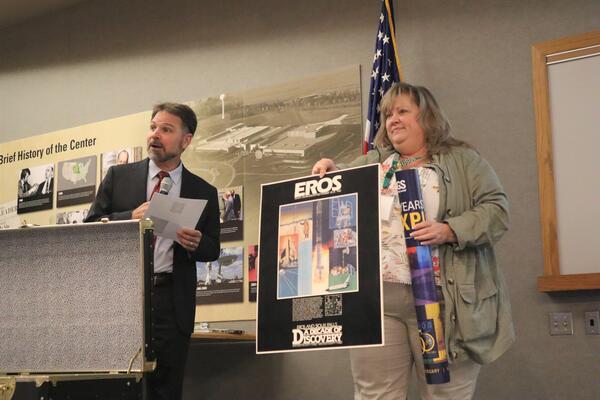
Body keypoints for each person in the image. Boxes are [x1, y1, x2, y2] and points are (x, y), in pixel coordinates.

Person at [312, 82, 514, 400]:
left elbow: (497, 211)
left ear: (427, 116)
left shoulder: (464, 161)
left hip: (443, 300)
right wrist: (333, 175)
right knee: (375, 395)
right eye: (387, 114)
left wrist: (450, 229)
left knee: (444, 394)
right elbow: (339, 212)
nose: (393, 119)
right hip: (378, 304)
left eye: (402, 111)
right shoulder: (373, 165)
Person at [84, 102, 221, 400]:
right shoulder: (118, 177)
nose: (155, 135)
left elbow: (213, 248)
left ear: (186, 140)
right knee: (119, 390)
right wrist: (129, 218)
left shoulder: (204, 191)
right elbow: (91, 227)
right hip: (124, 298)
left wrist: (197, 243)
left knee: (166, 389)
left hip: (172, 302)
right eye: (153, 127)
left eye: (166, 129)